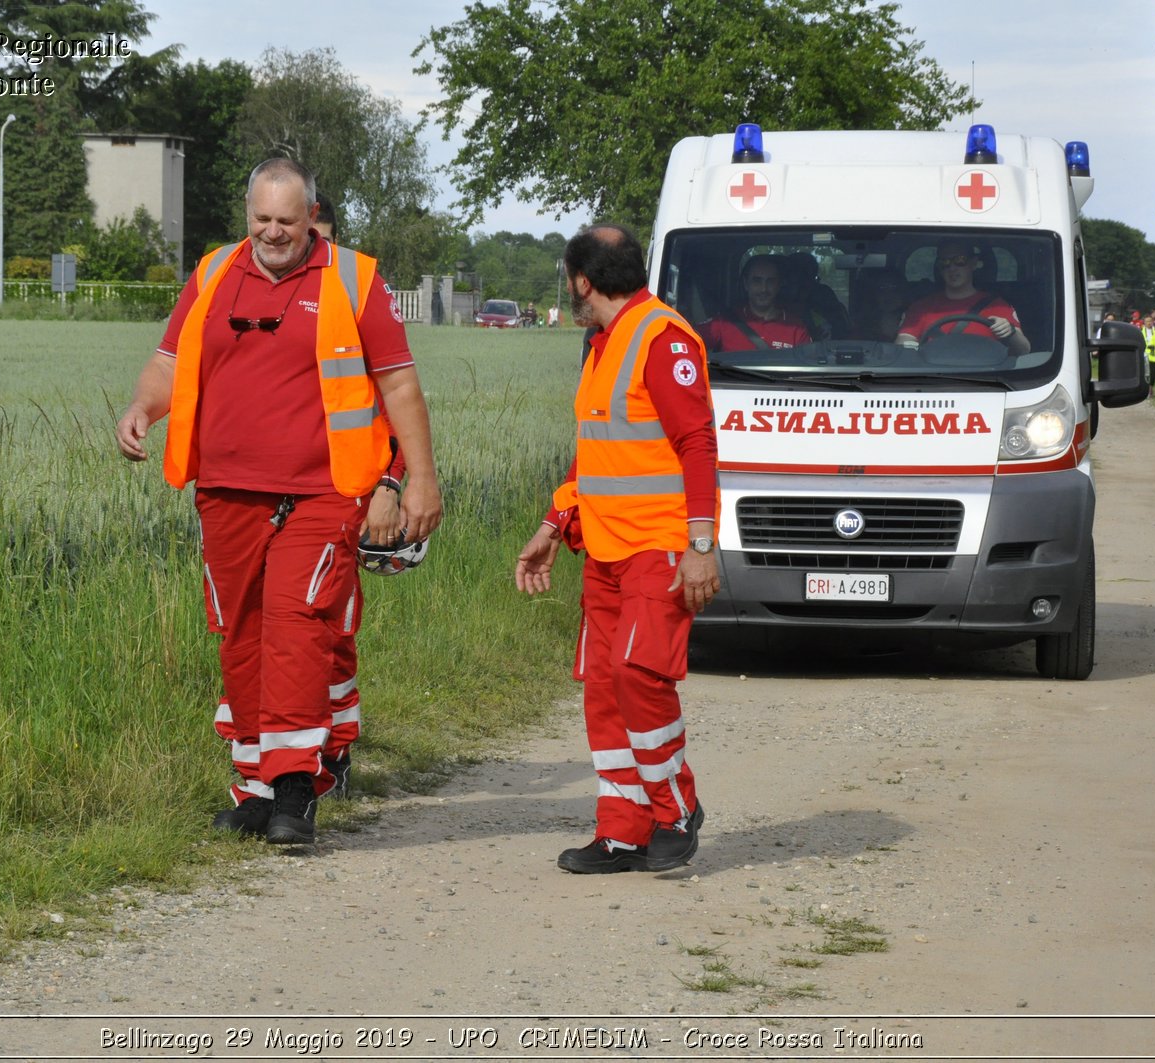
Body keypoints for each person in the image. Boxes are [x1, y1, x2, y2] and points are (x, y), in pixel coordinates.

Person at [115, 157, 442, 846]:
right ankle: (254, 789)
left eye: (286, 222)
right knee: (241, 632)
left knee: (296, 626)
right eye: (260, 219)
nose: (271, 233)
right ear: (246, 215)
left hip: (323, 492)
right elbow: (170, 362)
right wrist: (144, 408)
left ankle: (298, 786)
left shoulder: (355, 279)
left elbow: (400, 386)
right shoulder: (211, 273)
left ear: (310, 216)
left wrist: (415, 479)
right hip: (226, 491)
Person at [515, 223, 718, 875]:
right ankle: (623, 829)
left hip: (658, 547)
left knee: (638, 675)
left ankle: (675, 807)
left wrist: (701, 545)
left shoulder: (662, 338)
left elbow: (698, 445)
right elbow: (596, 453)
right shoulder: (602, 342)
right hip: (602, 547)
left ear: (581, 280)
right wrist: (553, 523)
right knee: (603, 687)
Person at [309, 190, 407, 800]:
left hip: (343, 498)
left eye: (315, 237)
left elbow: (396, 406)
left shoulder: (357, 295)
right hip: (277, 496)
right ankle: (280, 762)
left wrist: (392, 486)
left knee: (332, 634)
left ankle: (335, 752)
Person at [895, 241, 1029, 356]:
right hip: (932, 379)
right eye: (945, 263)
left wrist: (1010, 332)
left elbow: (1024, 350)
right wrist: (906, 346)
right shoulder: (921, 308)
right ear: (939, 269)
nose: (952, 268)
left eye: (960, 260)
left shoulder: (998, 306)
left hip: (987, 379)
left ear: (974, 263)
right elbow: (905, 339)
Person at [698, 254, 812, 352]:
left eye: (770, 281)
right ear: (746, 284)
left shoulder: (796, 328)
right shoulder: (724, 322)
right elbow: (686, 343)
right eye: (757, 281)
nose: (764, 289)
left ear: (779, 285)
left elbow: (807, 368)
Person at [1141, 312, 1155, 395]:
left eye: (1150, 321)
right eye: (1147, 321)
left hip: (1154, 356)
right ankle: (1145, 389)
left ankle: (1151, 388)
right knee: (1145, 373)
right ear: (1144, 322)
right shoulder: (1141, 331)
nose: (1149, 323)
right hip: (1144, 356)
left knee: (1153, 374)